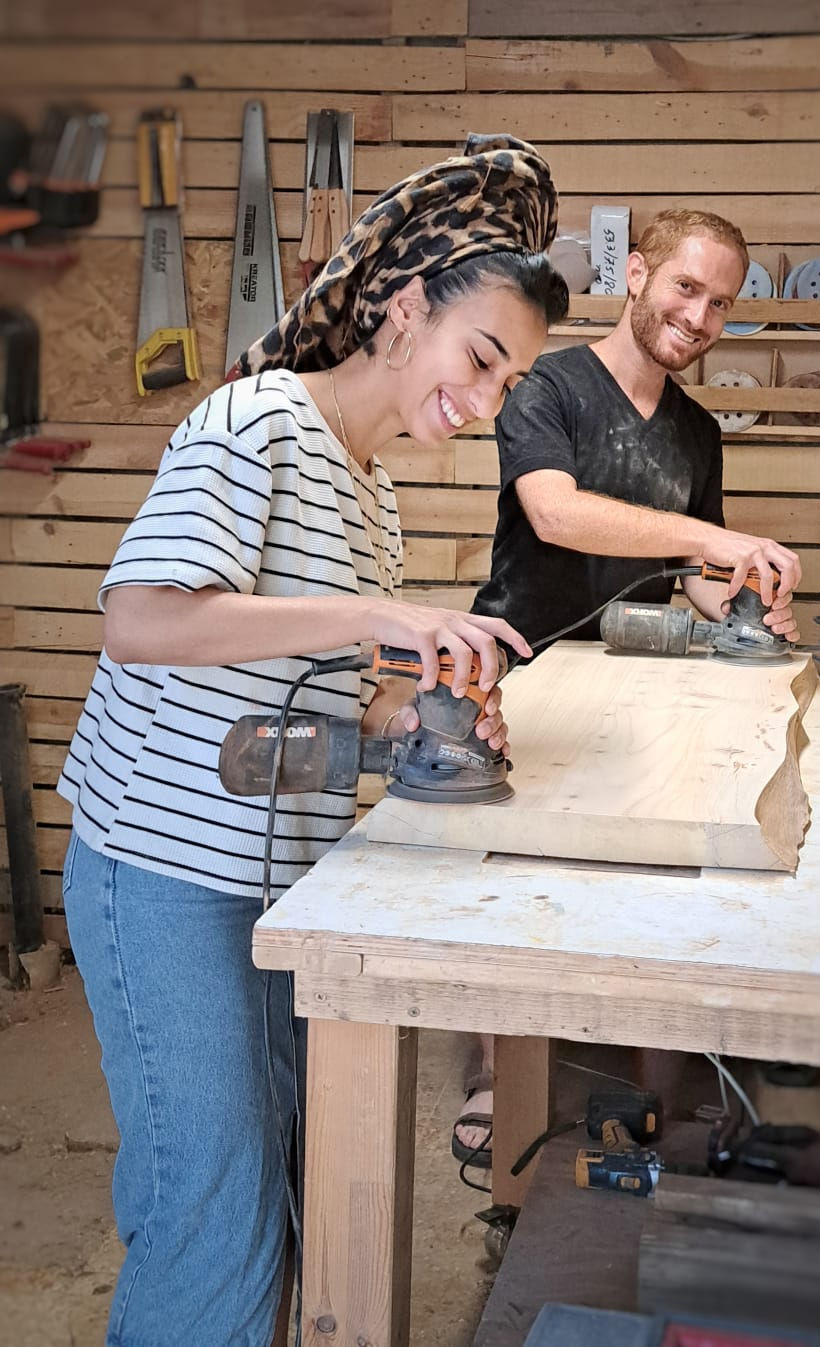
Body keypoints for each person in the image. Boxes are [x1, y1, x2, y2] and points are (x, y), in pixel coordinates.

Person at [57, 136, 568, 1347]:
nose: (486, 401)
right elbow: (142, 619)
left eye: (509, 383)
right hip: (163, 877)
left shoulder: (371, 490)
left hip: (278, 880)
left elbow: (325, 691)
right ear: (406, 308)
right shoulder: (258, 423)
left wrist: (422, 709)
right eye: (480, 358)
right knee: (216, 1209)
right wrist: (381, 617)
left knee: (271, 1182)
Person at [455, 209, 802, 1158]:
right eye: (687, 287)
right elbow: (556, 514)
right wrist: (713, 538)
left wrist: (748, 597)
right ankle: (497, 1074)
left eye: (721, 303)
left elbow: (694, 576)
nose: (699, 316)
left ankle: (662, 1086)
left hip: (641, 674)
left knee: (660, 876)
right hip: (525, 663)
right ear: (639, 275)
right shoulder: (549, 386)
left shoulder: (697, 431)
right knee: (511, 879)